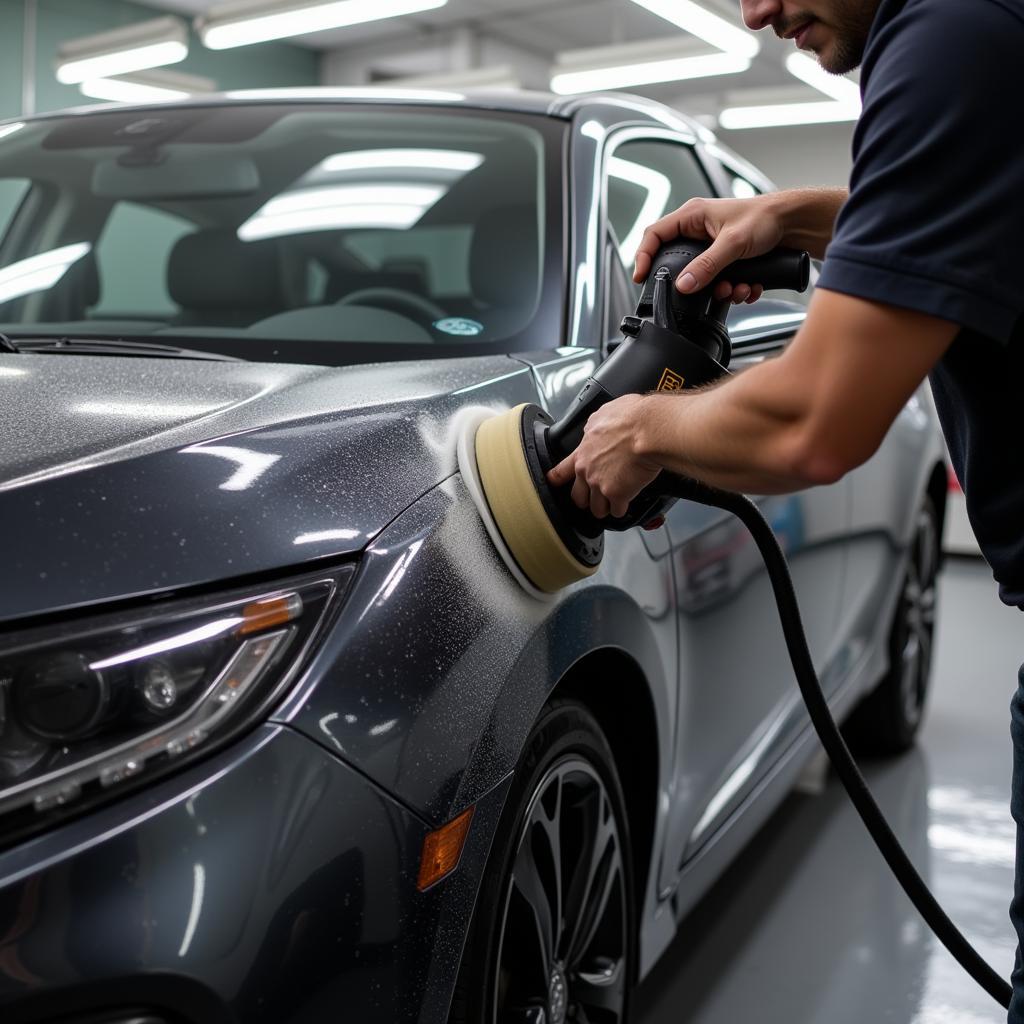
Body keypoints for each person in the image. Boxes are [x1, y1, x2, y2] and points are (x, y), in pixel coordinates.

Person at [548, 0, 1024, 1017]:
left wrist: (639, 430)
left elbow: (812, 423)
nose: (757, 12)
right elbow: (973, 204)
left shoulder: (952, 35)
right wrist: (798, 216)